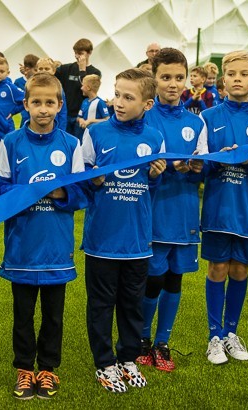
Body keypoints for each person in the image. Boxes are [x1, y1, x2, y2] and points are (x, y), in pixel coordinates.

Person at [0, 72, 86, 400]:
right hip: (22, 245)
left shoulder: (71, 144)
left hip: (56, 248)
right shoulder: (10, 142)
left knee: (53, 316)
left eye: (49, 102)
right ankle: (24, 369)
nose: (43, 109)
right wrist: (29, 192)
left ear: (60, 105)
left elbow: (81, 193)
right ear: (26, 104)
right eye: (36, 102)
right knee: (22, 315)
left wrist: (60, 192)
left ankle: (47, 369)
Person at [81, 68, 166, 393]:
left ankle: (128, 358)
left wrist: (155, 177)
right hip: (102, 240)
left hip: (137, 241)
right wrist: (92, 180)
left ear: (147, 104)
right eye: (117, 94)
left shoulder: (154, 138)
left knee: (132, 305)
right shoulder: (96, 133)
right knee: (101, 306)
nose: (118, 102)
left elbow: (150, 189)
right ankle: (104, 363)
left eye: (128, 97)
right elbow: (82, 180)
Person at [194, 50, 248, 365]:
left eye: (244, 74)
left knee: (240, 269)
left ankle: (231, 332)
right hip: (218, 208)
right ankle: (214, 336)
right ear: (223, 80)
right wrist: (218, 160)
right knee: (217, 268)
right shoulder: (208, 117)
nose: (237, 79)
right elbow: (201, 166)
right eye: (232, 74)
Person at [136, 48, 205, 372]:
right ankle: (141, 338)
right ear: (154, 78)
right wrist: (163, 169)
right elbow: (134, 167)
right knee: (153, 279)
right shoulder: (143, 118)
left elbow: (205, 166)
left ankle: (162, 342)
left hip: (184, 212)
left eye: (179, 77)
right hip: (152, 213)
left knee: (175, 279)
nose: (173, 84)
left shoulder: (196, 121)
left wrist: (198, 167)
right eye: (166, 77)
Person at [55, 39, 102, 135]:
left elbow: (87, 89)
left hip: (82, 117)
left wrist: (82, 70)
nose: (77, 56)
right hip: (65, 114)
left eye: (80, 53)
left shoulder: (95, 72)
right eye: (75, 53)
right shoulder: (66, 68)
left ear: (89, 53)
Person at [37, 57, 68, 131]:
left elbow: (62, 112)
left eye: (47, 69)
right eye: (40, 69)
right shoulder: (31, 88)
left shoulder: (58, 89)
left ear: (53, 71)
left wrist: (61, 130)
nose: (43, 71)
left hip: (53, 127)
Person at [76, 74, 109, 140]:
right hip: (82, 135)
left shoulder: (100, 102)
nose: (81, 88)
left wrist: (90, 121)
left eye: (83, 85)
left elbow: (107, 120)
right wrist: (80, 120)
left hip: (94, 137)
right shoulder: (84, 101)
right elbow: (79, 117)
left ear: (88, 88)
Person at [14, 54, 39, 127]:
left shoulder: (40, 82)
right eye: (35, 70)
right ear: (27, 69)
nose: (38, 72)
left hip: (37, 117)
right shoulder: (18, 82)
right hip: (24, 118)